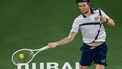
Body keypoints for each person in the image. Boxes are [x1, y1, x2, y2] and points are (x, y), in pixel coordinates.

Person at [48, 0, 115, 69]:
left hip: (101, 48)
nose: (82, 8)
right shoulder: (78, 20)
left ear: (89, 5)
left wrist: (106, 20)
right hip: (87, 48)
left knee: (100, 67)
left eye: (84, 5)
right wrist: (56, 43)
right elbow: (70, 38)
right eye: (80, 6)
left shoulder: (98, 12)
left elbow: (112, 23)